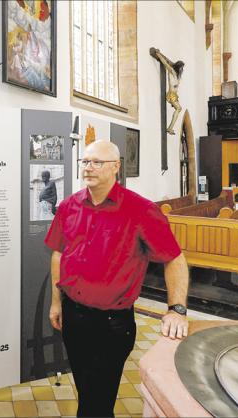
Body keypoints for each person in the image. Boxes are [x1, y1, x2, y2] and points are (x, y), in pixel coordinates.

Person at [45, 140, 189, 417]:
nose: (89, 167)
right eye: (85, 161)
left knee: (97, 400)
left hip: (112, 323)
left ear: (116, 167)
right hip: (74, 315)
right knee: (87, 390)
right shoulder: (68, 206)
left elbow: (174, 258)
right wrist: (56, 303)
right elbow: (58, 255)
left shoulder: (141, 210)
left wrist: (177, 309)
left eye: (97, 162)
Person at [150, 47, 185, 135]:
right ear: (178, 67)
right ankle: (170, 128)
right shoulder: (172, 71)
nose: (182, 70)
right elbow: (165, 63)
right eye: (181, 68)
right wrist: (158, 54)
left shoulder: (176, 75)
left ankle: (170, 127)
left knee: (178, 109)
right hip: (171, 95)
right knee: (179, 108)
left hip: (174, 95)